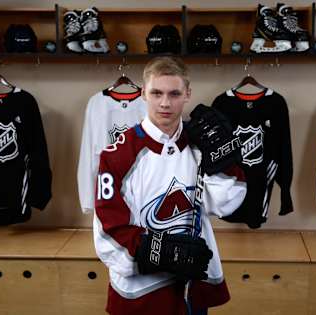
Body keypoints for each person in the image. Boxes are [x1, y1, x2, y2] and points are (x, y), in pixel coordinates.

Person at [93, 56, 246, 315]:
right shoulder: (117, 155)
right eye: (157, 93)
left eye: (174, 93)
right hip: (140, 291)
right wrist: (161, 253)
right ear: (143, 94)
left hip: (192, 283)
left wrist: (223, 163)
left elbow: (224, 204)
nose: (165, 103)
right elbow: (107, 232)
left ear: (188, 94)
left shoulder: (201, 144)